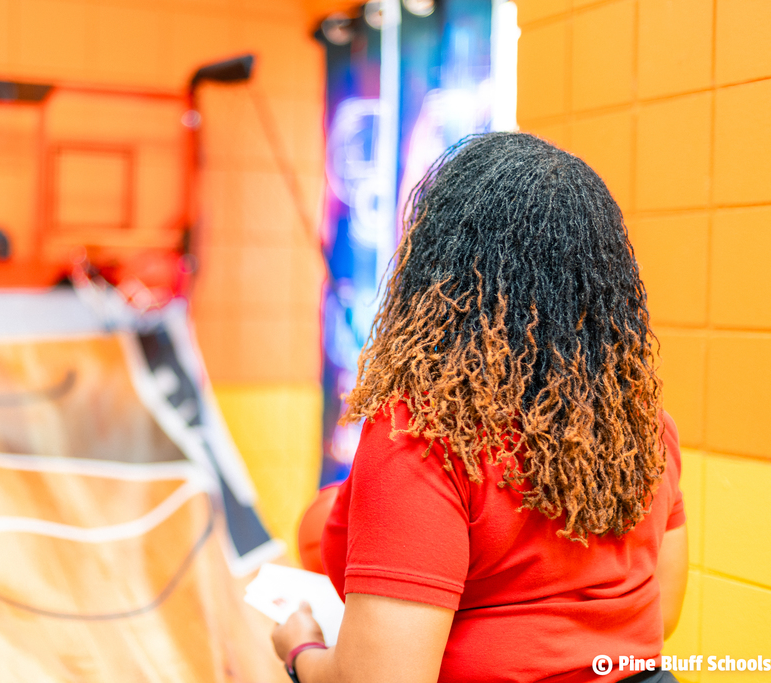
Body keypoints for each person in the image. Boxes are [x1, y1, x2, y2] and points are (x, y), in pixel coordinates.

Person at [272, 132, 688, 683]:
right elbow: (666, 613)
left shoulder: (424, 438)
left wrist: (300, 650)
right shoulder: (641, 428)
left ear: (436, 267)